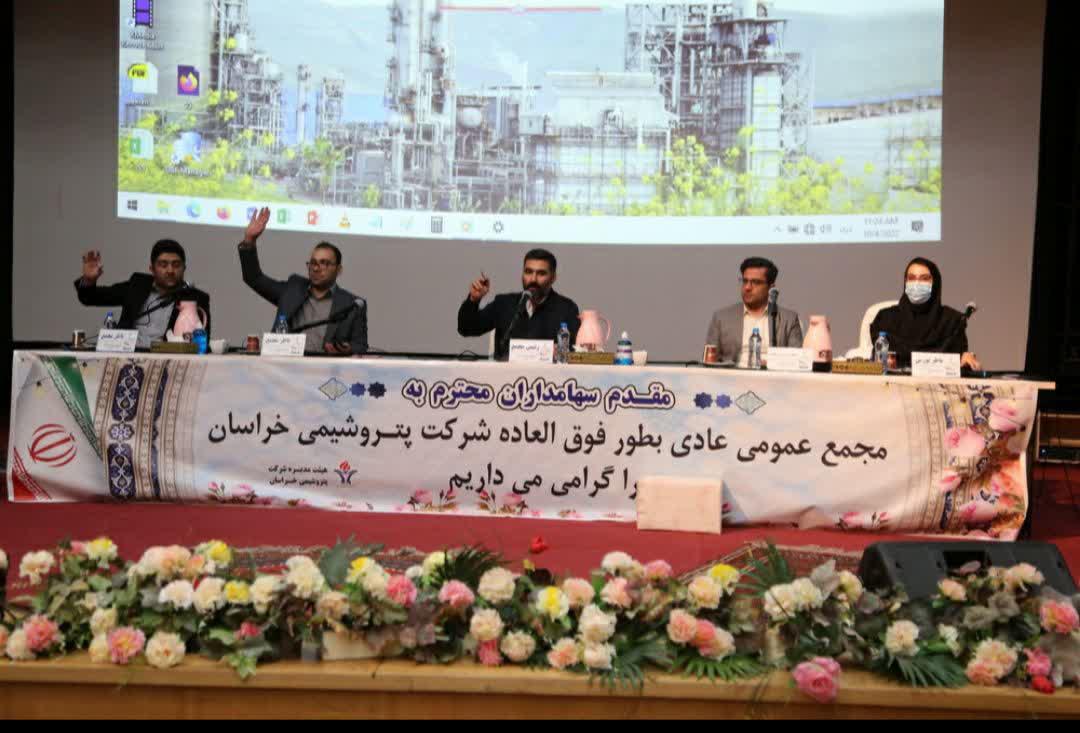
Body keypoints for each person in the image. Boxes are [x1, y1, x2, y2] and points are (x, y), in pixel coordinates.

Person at [239, 207, 367, 355]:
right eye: (313, 263)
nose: (316, 268)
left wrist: (346, 350)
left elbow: (361, 346)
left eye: (324, 263)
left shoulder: (352, 305)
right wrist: (249, 240)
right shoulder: (292, 289)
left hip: (326, 367)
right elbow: (254, 278)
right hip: (286, 365)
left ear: (339, 270)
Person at [75, 240, 210, 348]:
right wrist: (88, 280)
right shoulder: (137, 286)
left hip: (167, 359)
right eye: (163, 265)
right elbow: (90, 298)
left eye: (176, 265)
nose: (170, 270)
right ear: (151, 269)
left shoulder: (195, 298)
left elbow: (202, 341)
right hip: (128, 355)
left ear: (184, 268)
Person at [458, 249, 579, 360]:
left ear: (553, 277)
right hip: (505, 374)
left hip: (549, 375)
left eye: (541, 273)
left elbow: (574, 350)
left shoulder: (566, 308)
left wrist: (559, 352)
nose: (533, 279)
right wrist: (473, 300)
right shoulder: (504, 303)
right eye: (528, 272)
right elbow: (466, 328)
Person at [869, 257, 980, 369]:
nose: (916, 283)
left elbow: (959, 362)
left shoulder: (952, 321)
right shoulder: (885, 318)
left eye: (924, 278)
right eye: (911, 278)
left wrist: (966, 360)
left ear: (935, 283)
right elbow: (880, 359)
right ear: (905, 282)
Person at [704, 257, 803, 366]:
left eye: (755, 282)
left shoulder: (789, 319)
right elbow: (709, 363)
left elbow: (798, 361)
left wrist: (772, 363)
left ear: (771, 288)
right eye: (745, 281)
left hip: (772, 375)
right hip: (733, 375)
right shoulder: (721, 318)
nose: (747, 287)